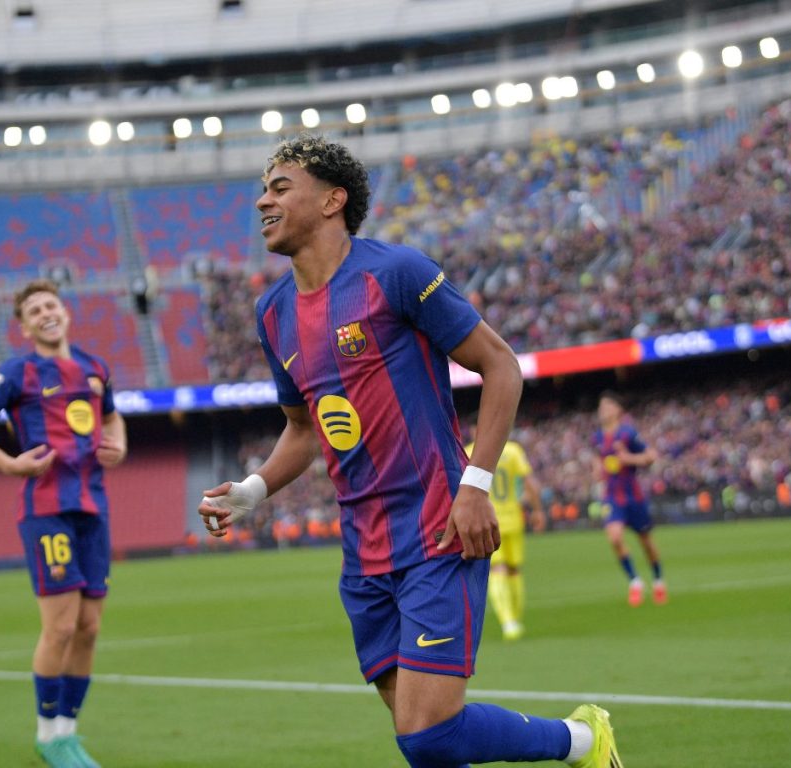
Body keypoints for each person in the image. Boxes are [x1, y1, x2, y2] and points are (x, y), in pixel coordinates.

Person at [199, 134, 622, 768]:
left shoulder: (394, 273)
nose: (263, 200)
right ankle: (584, 744)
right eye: (263, 189)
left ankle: (584, 741)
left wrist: (475, 483)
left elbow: (501, 366)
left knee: (427, 734)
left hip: (437, 528)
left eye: (281, 187)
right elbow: (304, 427)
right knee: (425, 743)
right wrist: (254, 489)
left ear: (332, 200)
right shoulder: (272, 312)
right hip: (362, 550)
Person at [0, 279, 126, 768]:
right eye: (34, 310)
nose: (45, 314)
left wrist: (120, 445)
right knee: (61, 627)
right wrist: (11, 465)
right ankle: (47, 735)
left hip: (94, 508)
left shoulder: (96, 369)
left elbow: (113, 419)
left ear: (64, 312)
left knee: (90, 628)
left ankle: (69, 734)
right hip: (47, 509)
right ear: (25, 325)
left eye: (50, 305)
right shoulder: (16, 372)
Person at [465, 437, 546, 641]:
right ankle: (517, 618)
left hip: (487, 518)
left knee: (497, 569)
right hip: (514, 517)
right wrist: (537, 510)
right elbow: (528, 482)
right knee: (514, 569)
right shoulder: (512, 450)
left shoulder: (469, 452)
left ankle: (508, 622)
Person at [591, 391, 666, 607]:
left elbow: (651, 456)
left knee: (646, 543)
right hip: (612, 497)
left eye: (607, 406)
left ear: (618, 410)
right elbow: (597, 461)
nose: (602, 410)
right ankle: (635, 581)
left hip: (633, 495)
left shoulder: (628, 434)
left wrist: (628, 458)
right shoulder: (597, 437)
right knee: (614, 537)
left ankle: (658, 580)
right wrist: (597, 469)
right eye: (600, 407)